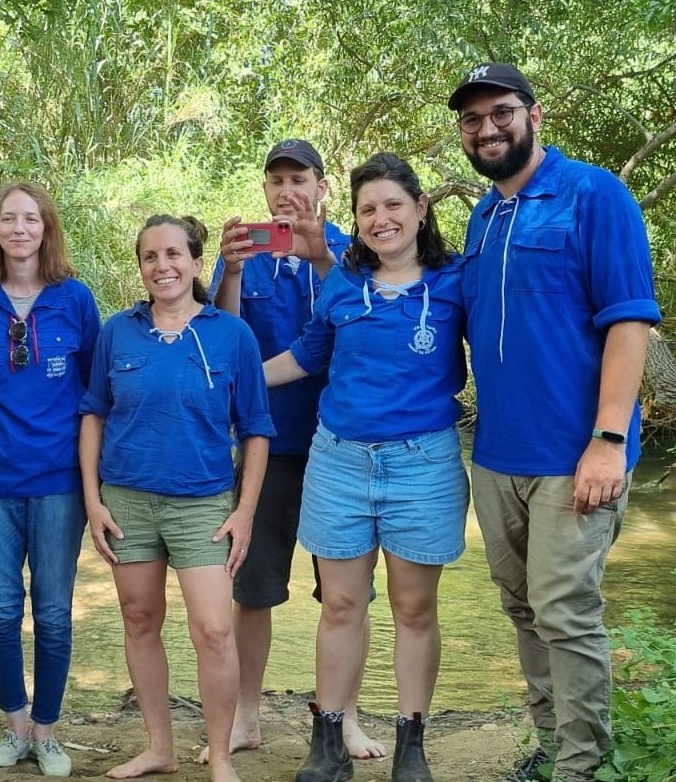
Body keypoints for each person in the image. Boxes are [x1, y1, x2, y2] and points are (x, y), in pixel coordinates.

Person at [447, 62, 662, 782]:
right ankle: (548, 748)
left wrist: (607, 440)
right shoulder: (484, 214)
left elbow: (630, 322)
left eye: (501, 112)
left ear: (536, 116)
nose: (487, 129)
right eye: (473, 120)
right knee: (521, 608)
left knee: (566, 611)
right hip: (498, 456)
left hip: (577, 455)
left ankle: (582, 766)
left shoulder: (594, 194)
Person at [262, 152, 468, 782]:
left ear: (420, 209)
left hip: (423, 464)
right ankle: (327, 745)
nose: (382, 219)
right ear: (354, 219)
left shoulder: (459, 281)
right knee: (342, 606)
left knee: (413, 609)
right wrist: (222, 385)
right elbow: (304, 356)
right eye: (368, 209)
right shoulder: (343, 284)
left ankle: (412, 745)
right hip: (340, 462)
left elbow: (504, 354)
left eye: (393, 206)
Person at [79, 215, 275, 782]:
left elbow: (257, 428)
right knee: (139, 619)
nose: (162, 266)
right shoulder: (117, 332)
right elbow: (93, 414)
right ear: (140, 267)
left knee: (213, 628)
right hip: (126, 500)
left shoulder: (231, 334)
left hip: (204, 506)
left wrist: (245, 510)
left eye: (173, 255)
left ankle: (218, 757)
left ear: (195, 262)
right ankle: (158, 747)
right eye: (149, 257)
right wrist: (93, 500)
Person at [209, 139, 383, 762]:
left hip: (344, 442)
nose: (287, 191)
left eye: (299, 179)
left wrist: (317, 256)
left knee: (347, 594)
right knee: (251, 586)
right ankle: (246, 716)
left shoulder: (355, 244)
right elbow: (223, 337)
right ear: (264, 189)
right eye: (276, 180)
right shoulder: (246, 252)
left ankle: (348, 715)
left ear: (322, 186)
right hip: (266, 445)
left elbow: (365, 319)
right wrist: (229, 274)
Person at [0, 182, 101, 777]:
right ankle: (14, 727)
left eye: (30, 219)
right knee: (0, 606)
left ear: (46, 228)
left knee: (55, 610)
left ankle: (48, 730)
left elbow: (92, 397)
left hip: (59, 478)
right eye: (8, 219)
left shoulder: (75, 300)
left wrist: (93, 478)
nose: (19, 229)